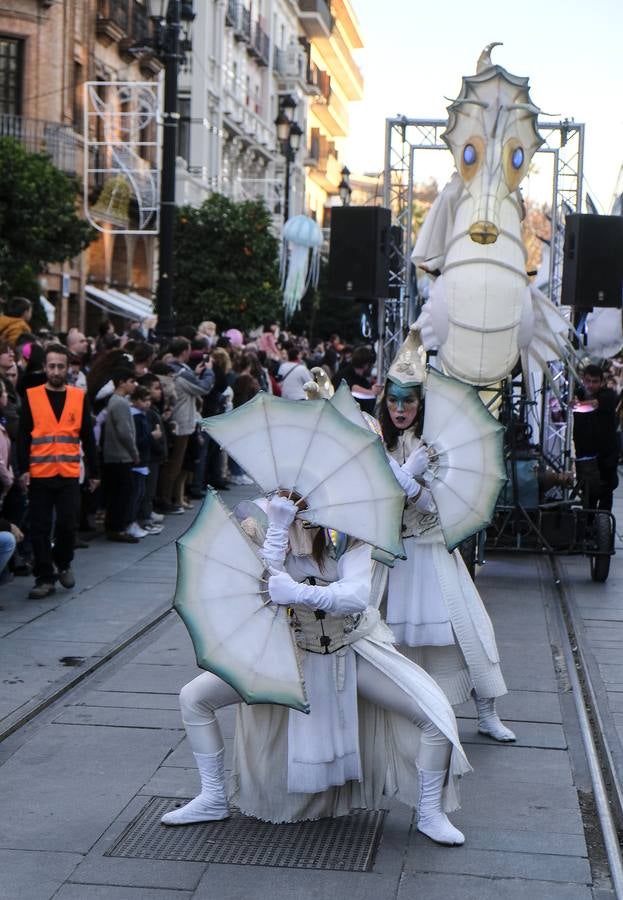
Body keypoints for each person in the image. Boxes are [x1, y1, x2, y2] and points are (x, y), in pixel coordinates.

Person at [162, 493, 471, 845]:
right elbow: (253, 585)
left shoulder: (350, 527)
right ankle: (213, 797)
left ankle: (431, 813)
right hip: (285, 654)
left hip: (347, 648)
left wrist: (297, 592)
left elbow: (356, 595)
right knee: (194, 698)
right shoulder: (261, 520)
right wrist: (276, 532)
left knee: (436, 716)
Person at [378, 331, 515, 742]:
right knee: (390, 639)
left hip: (434, 550)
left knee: (469, 632)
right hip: (393, 555)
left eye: (409, 400)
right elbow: (375, 497)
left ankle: (486, 713)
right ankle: (403, 711)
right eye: (393, 400)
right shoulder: (375, 440)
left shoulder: (435, 442)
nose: (400, 409)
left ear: (422, 403)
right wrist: (405, 476)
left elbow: (435, 506)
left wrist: (412, 479)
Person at [18, 344, 99, 599]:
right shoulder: (32, 396)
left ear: (68, 368)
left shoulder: (77, 396)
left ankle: (63, 562)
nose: (55, 371)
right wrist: (22, 469)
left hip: (68, 472)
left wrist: (94, 472)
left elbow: (87, 435)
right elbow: (22, 437)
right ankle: (44, 577)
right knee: (40, 528)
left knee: (67, 525)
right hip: (40, 473)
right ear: (44, 367)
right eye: (51, 366)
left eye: (60, 366)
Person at [157, 338, 214, 514]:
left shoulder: (175, 370)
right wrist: (209, 372)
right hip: (181, 423)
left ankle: (170, 498)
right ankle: (165, 500)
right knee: (174, 464)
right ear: (184, 352)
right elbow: (203, 388)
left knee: (175, 464)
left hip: (176, 421)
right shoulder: (181, 373)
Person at [573, 364, 619, 511]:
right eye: (588, 381)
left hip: (606, 454)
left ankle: (603, 525)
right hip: (585, 455)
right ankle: (588, 525)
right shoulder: (578, 393)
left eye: (595, 381)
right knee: (588, 493)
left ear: (601, 382)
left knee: (606, 492)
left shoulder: (608, 395)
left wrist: (576, 405)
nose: (591, 385)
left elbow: (593, 405)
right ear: (583, 379)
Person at [102, 368, 139, 543]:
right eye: (131, 381)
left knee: (118, 491)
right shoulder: (120, 403)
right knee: (123, 492)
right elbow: (125, 432)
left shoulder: (115, 401)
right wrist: (134, 452)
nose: (134, 385)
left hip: (115, 455)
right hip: (120, 455)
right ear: (122, 382)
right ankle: (117, 527)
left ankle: (114, 525)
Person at [333, 345, 382, 414]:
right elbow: (352, 387)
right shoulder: (345, 373)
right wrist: (372, 392)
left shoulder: (361, 378)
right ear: (366, 365)